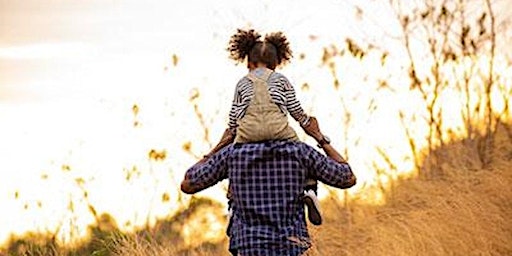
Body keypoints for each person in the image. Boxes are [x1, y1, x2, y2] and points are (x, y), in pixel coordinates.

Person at [181, 117, 356, 256]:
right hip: (291, 245)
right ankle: (309, 188)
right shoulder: (299, 151)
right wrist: (320, 137)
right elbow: (346, 177)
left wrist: (219, 146)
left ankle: (235, 206)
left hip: (249, 246)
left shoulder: (232, 154)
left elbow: (189, 183)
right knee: (305, 177)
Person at [201, 28, 323, 225]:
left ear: (249, 62)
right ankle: (309, 190)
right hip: (280, 133)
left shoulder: (242, 83)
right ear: (276, 63)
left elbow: (234, 117)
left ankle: (233, 205)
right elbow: (295, 110)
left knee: (236, 162)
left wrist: (228, 136)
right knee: (302, 155)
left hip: (247, 136)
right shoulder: (282, 80)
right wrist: (308, 124)